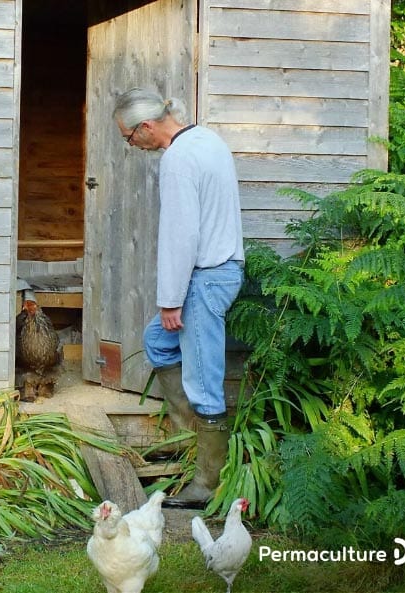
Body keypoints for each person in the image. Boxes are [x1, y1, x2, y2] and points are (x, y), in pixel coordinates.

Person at [113, 87, 245, 506]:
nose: (131, 146)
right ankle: (189, 439)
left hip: (204, 279)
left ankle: (208, 484)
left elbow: (180, 235)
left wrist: (170, 300)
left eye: (129, 138)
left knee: (203, 381)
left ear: (147, 127)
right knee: (158, 342)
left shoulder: (178, 159)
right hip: (220, 272)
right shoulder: (208, 140)